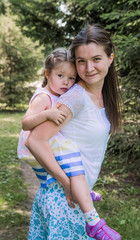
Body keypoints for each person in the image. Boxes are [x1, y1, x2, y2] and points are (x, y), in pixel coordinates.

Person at [25, 24, 121, 240]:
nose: (88, 68)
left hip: (76, 196)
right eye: (81, 61)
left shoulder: (103, 96)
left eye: (96, 59)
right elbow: (35, 141)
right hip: (63, 198)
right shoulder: (75, 97)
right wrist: (68, 185)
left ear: (110, 58)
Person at [17, 47, 102, 237]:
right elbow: (25, 123)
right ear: (48, 74)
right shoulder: (43, 97)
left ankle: (84, 190)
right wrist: (47, 113)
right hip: (32, 149)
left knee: (71, 159)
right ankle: (82, 192)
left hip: (47, 145)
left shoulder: (59, 95)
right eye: (60, 75)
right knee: (71, 154)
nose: (66, 82)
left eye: (71, 78)